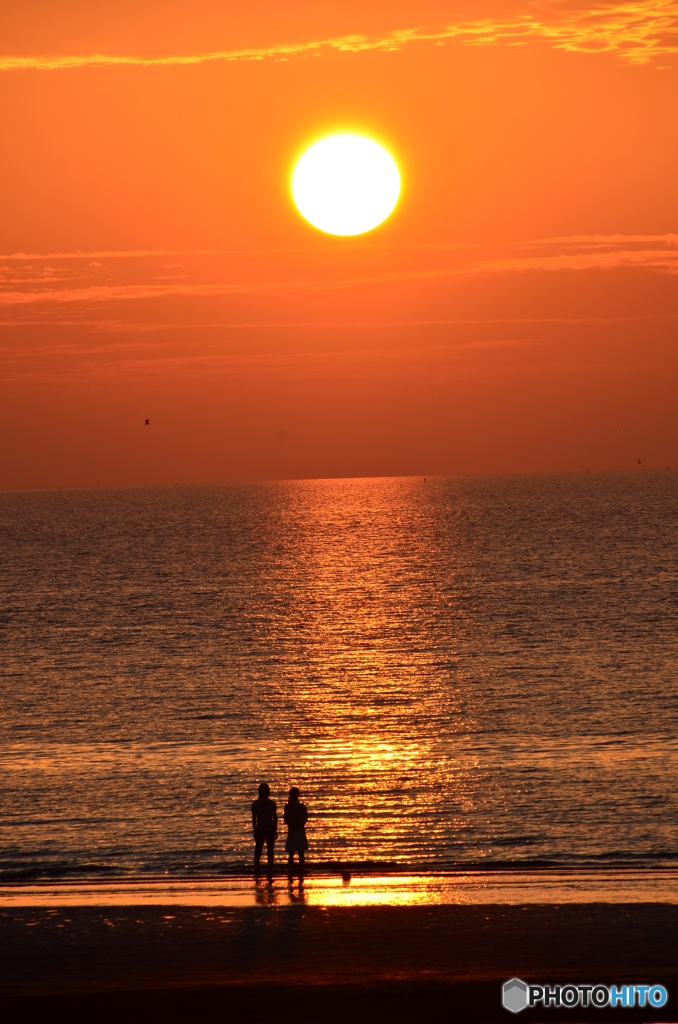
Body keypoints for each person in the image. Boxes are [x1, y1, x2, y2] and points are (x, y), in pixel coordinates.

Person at [251, 782, 277, 872]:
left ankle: (257, 868)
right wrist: (275, 830)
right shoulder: (271, 803)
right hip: (269, 829)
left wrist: (254, 830)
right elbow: (275, 818)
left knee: (258, 850)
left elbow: (254, 819)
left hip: (260, 829)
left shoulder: (256, 803)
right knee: (270, 850)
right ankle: (270, 868)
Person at [283, 787, 309, 874]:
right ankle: (301, 868)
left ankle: (291, 868)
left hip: (292, 830)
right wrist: (301, 824)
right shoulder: (302, 807)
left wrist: (291, 824)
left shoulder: (287, 807)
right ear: (298, 795)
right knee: (301, 852)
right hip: (300, 830)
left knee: (291, 852)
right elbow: (305, 818)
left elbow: (286, 819)